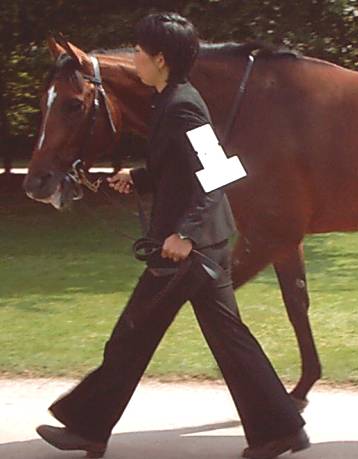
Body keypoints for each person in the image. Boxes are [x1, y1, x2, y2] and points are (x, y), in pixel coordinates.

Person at [36, 12, 309, 459]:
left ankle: (88, 427)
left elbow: (217, 173)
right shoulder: (168, 101)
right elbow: (183, 168)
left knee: (131, 336)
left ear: (160, 59)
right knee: (229, 340)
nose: (135, 58)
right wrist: (139, 177)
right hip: (204, 245)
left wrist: (185, 233)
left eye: (140, 51)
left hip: (188, 251)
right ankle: (281, 429)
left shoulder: (182, 105)